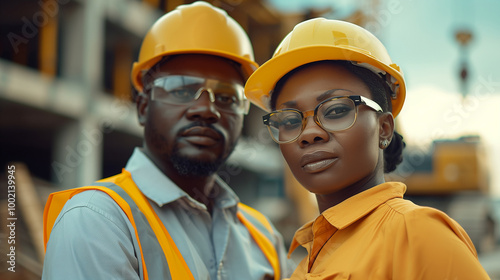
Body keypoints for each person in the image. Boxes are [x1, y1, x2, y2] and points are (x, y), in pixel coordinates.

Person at [42, 2, 292, 279]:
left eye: (226, 97)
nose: (206, 109)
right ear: (143, 108)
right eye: (182, 89)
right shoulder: (98, 220)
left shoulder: (264, 238)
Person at [245, 18, 491, 279]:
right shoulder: (306, 261)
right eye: (291, 120)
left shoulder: (417, 235)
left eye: (336, 110)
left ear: (384, 128)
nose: (309, 133)